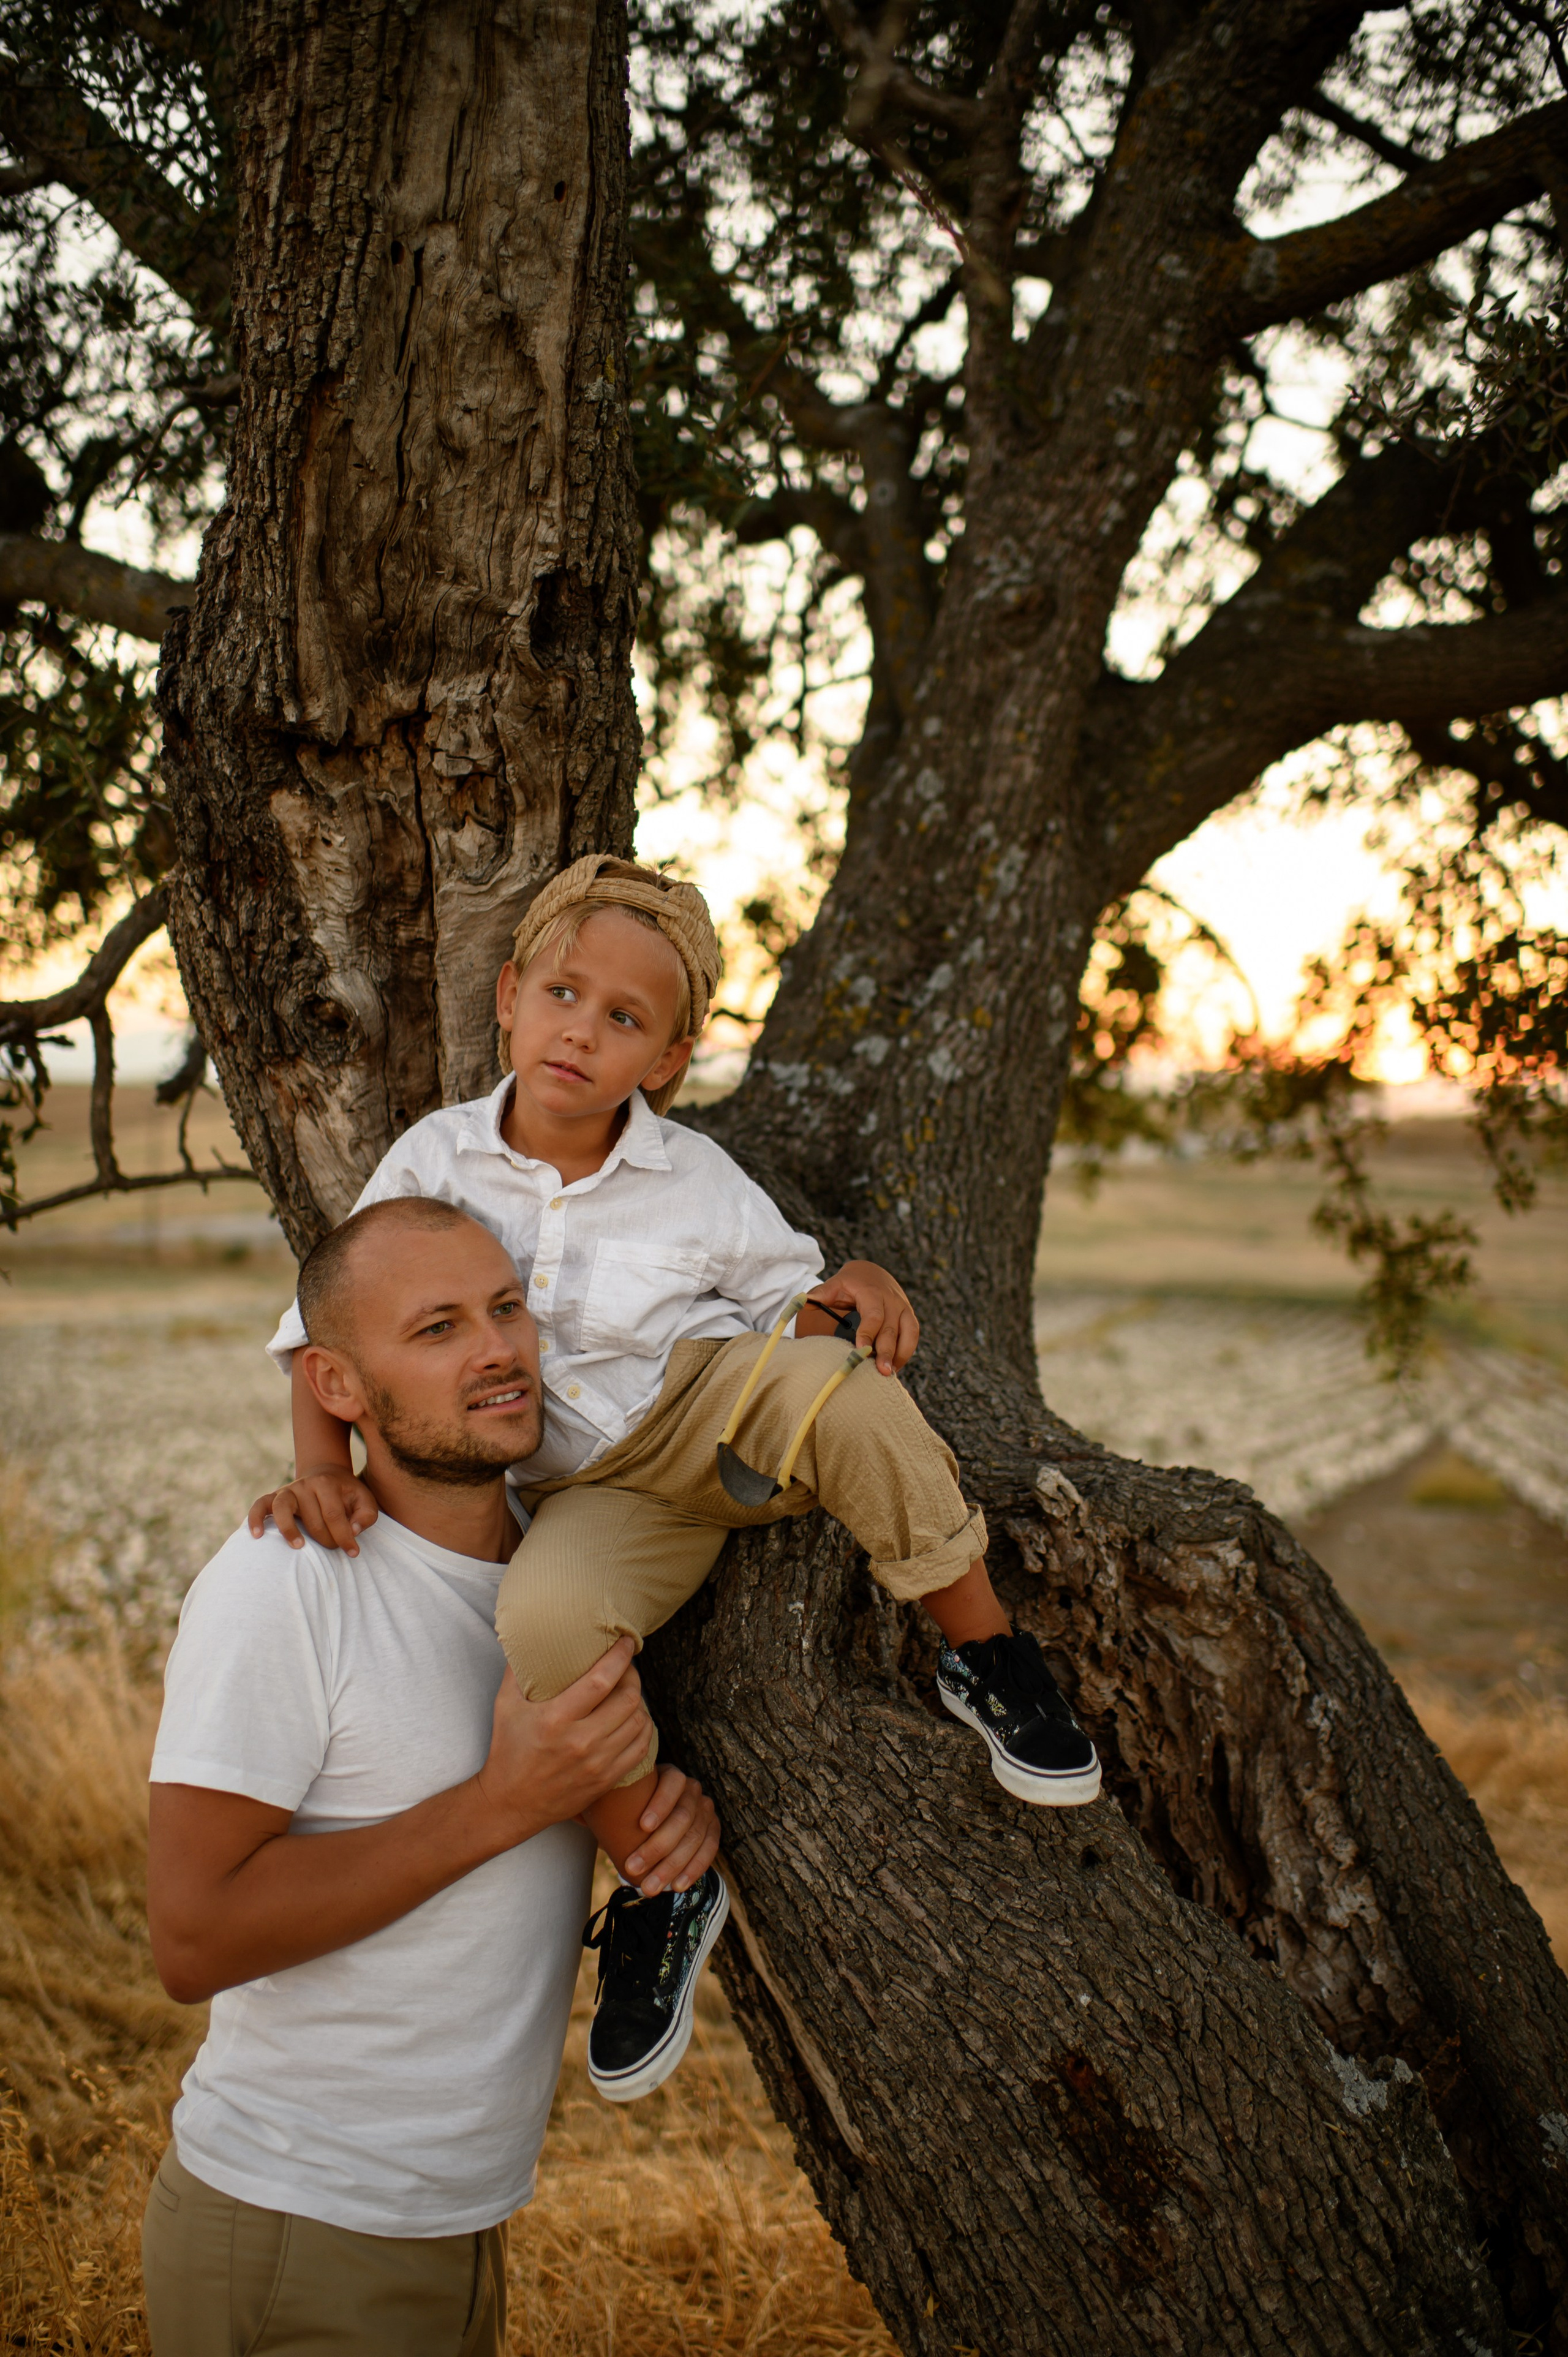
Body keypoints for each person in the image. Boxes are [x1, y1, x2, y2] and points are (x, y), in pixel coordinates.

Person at [250, 853, 1101, 2105]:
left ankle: (984, 1653)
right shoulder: (436, 1161)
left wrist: (856, 1286)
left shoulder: (692, 1177)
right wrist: (322, 1466)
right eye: (562, 994)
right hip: (597, 1497)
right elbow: (328, 1322)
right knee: (536, 1620)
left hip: (703, 1408)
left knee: (850, 1399)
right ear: (507, 997)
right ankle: (659, 1868)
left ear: (665, 1059)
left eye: (624, 1019)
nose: (580, 1032)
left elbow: (793, 1297)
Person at [143, 1201, 721, 2357]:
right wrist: (507, 1802)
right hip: (294, 2231)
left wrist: (659, 1824)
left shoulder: (569, 1580)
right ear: (338, 1386)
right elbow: (191, 1941)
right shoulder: (288, 1584)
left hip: (461, 2224)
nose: (497, 1347)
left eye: (507, 1308)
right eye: (439, 1327)